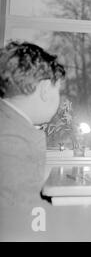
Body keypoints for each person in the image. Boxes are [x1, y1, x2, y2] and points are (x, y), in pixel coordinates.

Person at [0, 41, 65, 207]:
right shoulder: (15, 138)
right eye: (57, 90)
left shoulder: (8, 120)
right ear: (44, 89)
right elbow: (25, 218)